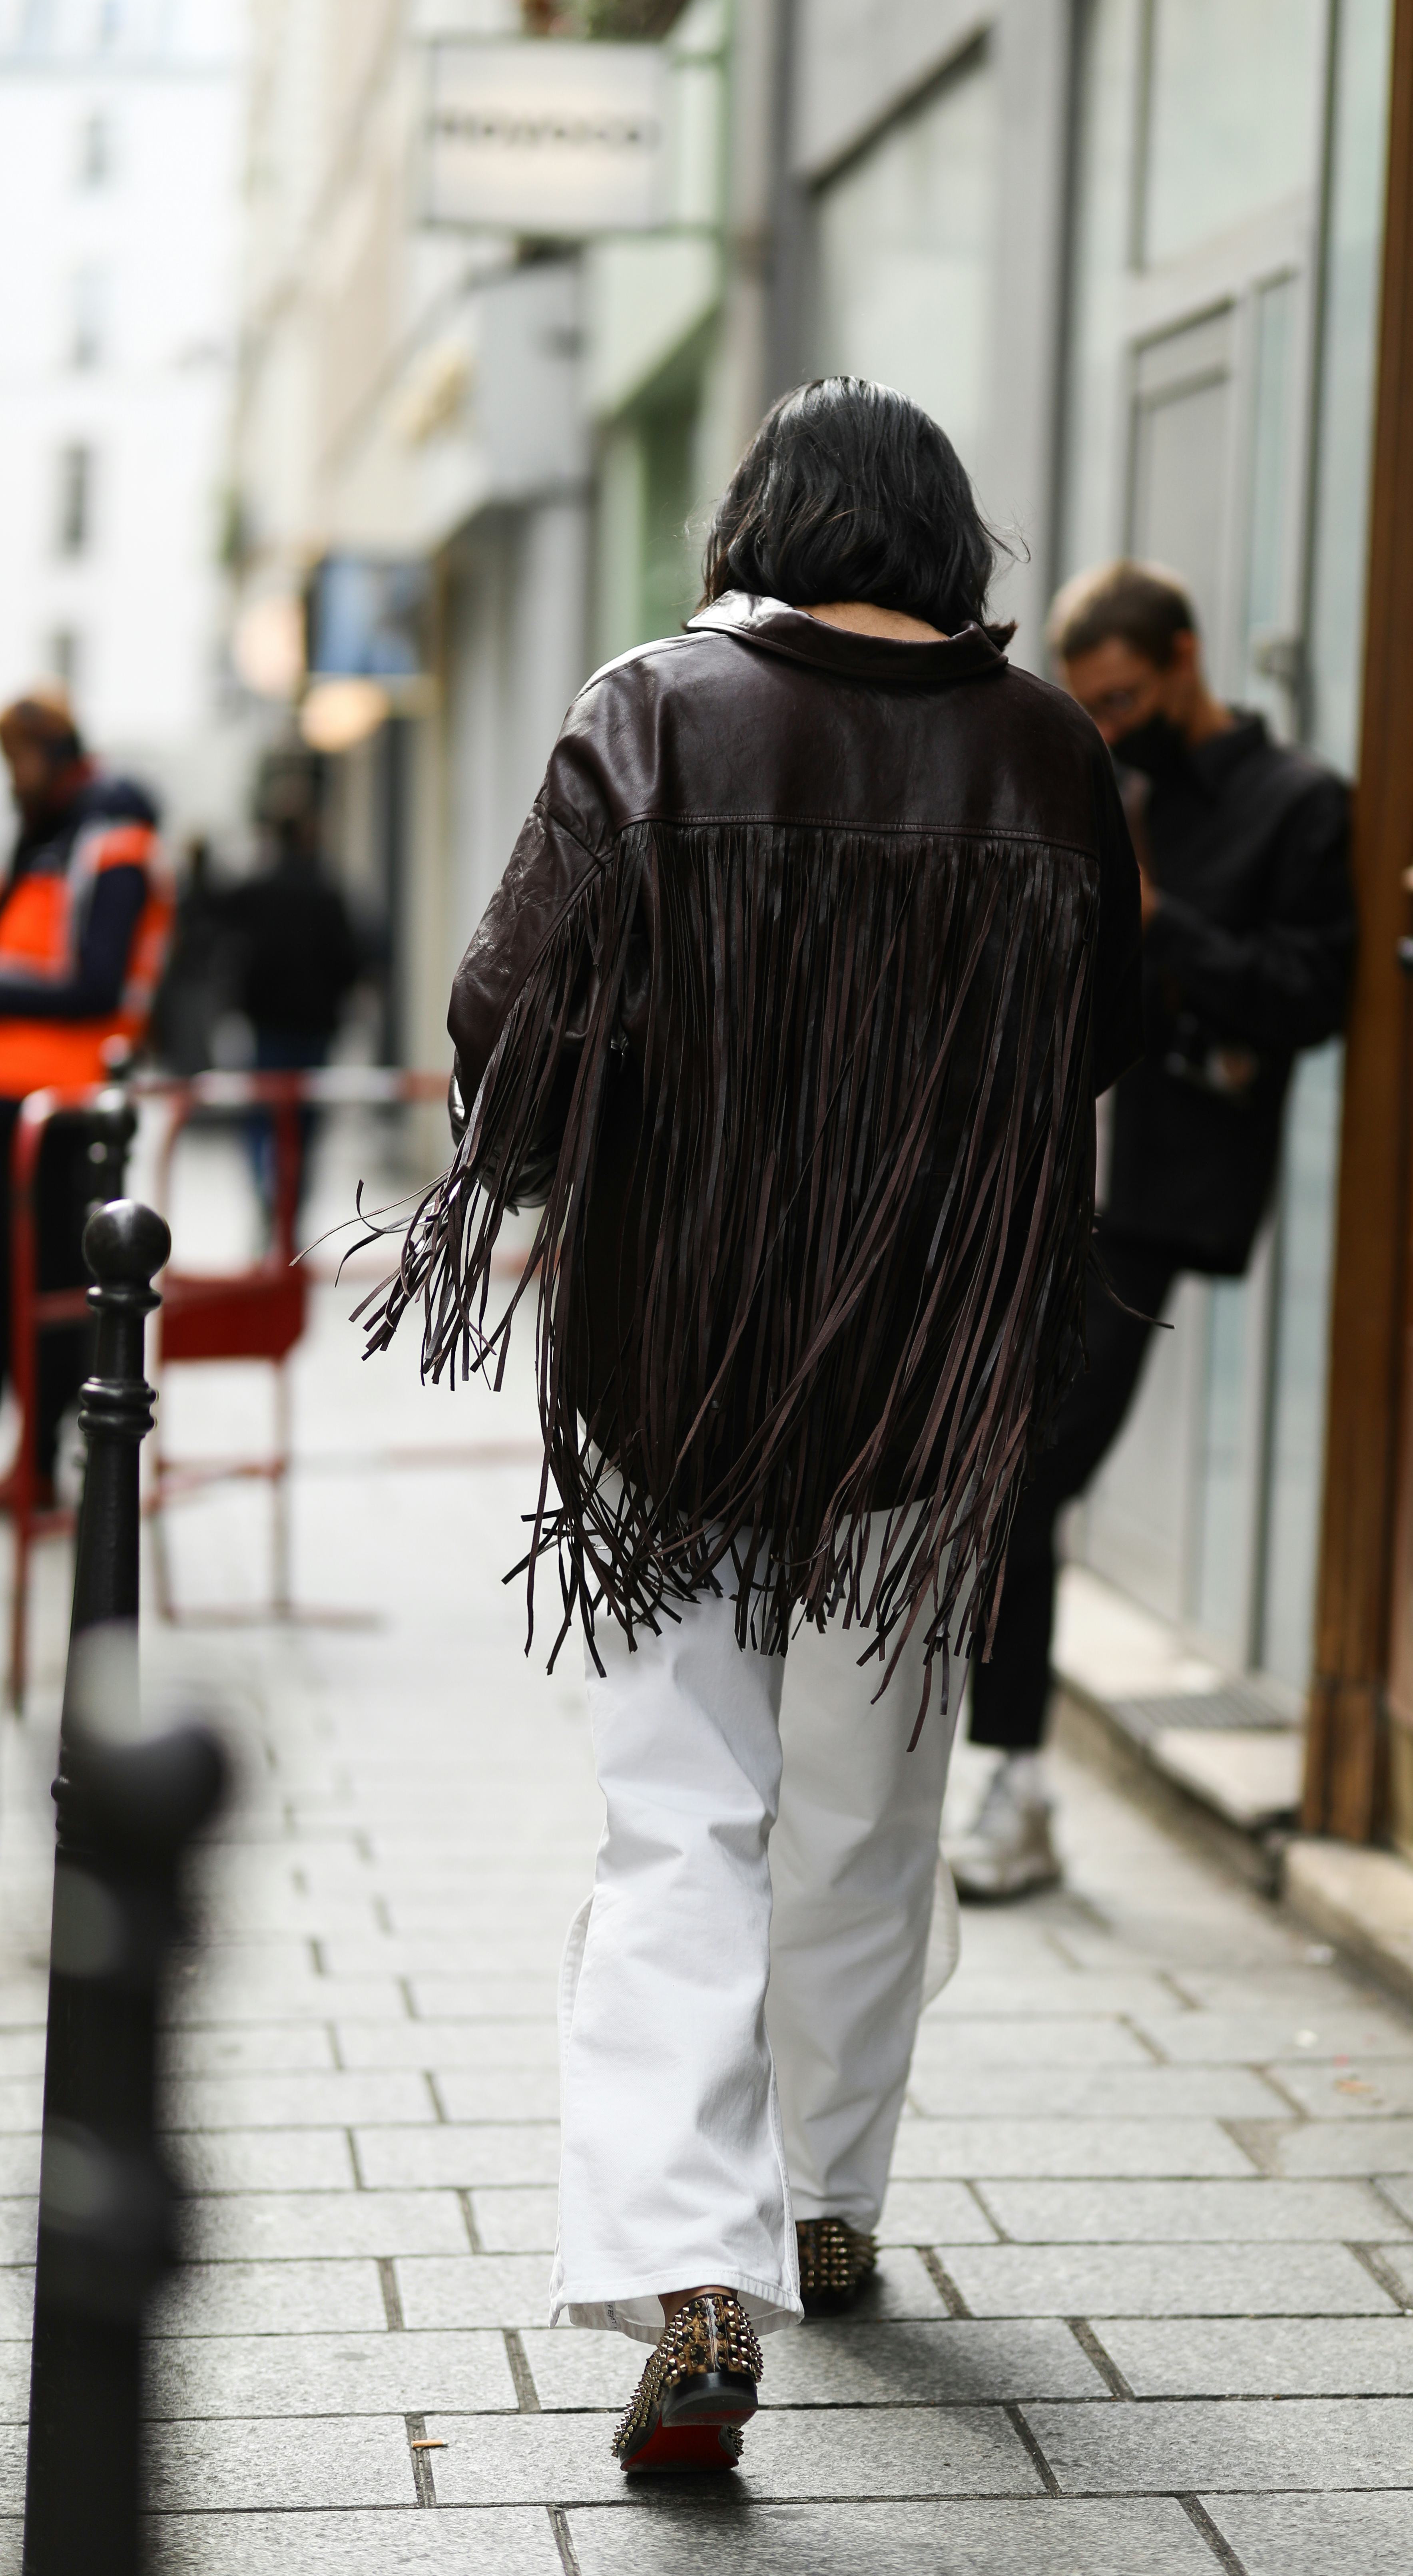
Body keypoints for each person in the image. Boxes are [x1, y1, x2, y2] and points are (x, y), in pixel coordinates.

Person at [368, 379, 1142, 2471]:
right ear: (945, 545)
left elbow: (503, 1021)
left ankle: (692, 2271)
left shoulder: (653, 706)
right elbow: (1103, 1048)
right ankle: (829, 2210)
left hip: (674, 1350)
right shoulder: (1056, 754)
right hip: (928, 1367)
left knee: (679, 1807)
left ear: (760, 522)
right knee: (875, 1800)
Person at [949, 560, 1356, 1900]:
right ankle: (993, 1777)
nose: (1107, 722)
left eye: (1123, 695)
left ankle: (1006, 1784)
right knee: (997, 1466)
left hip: (1153, 1197)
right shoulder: (1097, 780)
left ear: (1182, 656)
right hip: (1036, 1175)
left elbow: (1306, 993)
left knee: (1023, 1472)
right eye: (1092, 703)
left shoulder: (1298, 803)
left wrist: (1158, 925)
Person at [0, 689, 173, 1495]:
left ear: (62, 753)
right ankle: (35, 1456)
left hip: (64, 1108)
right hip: (26, 1098)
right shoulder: (51, 837)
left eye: (24, 758)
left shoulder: (108, 838)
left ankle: (43, 1465)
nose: (14, 776)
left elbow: (96, 982)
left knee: (54, 1289)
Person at [221, 803, 363, 1238]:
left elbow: (230, 942)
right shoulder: (328, 892)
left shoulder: (257, 889)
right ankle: (292, 1207)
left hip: (268, 1025)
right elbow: (351, 959)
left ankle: (269, 1197)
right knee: (304, 1123)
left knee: (263, 1116)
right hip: (314, 1028)